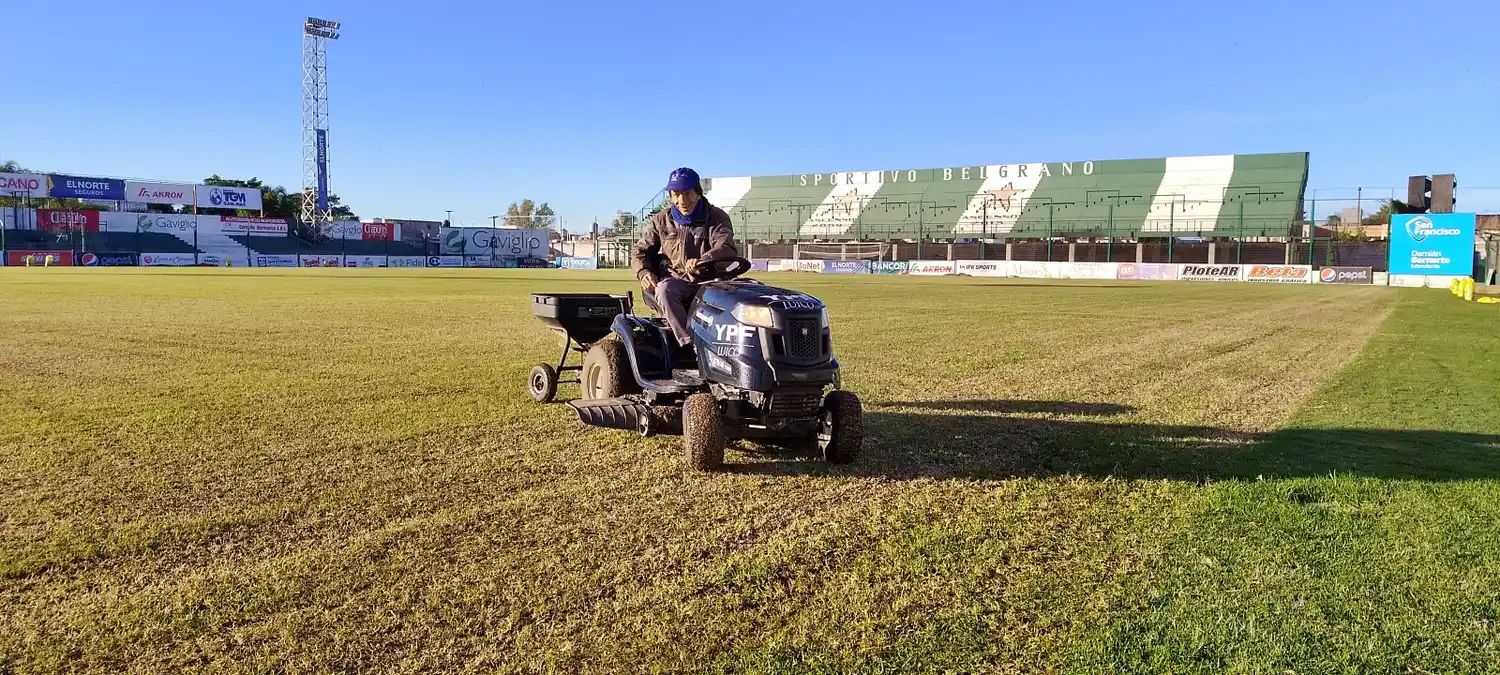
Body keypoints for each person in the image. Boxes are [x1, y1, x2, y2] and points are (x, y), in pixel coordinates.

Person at [631, 167, 739, 348]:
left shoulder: (717, 218)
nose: (681, 201)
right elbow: (640, 252)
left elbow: (726, 248)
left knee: (753, 292)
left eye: (687, 194)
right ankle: (691, 345)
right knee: (665, 290)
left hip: (710, 282)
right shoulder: (661, 220)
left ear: (697, 192)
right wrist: (643, 272)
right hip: (677, 282)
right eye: (676, 195)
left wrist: (703, 261)